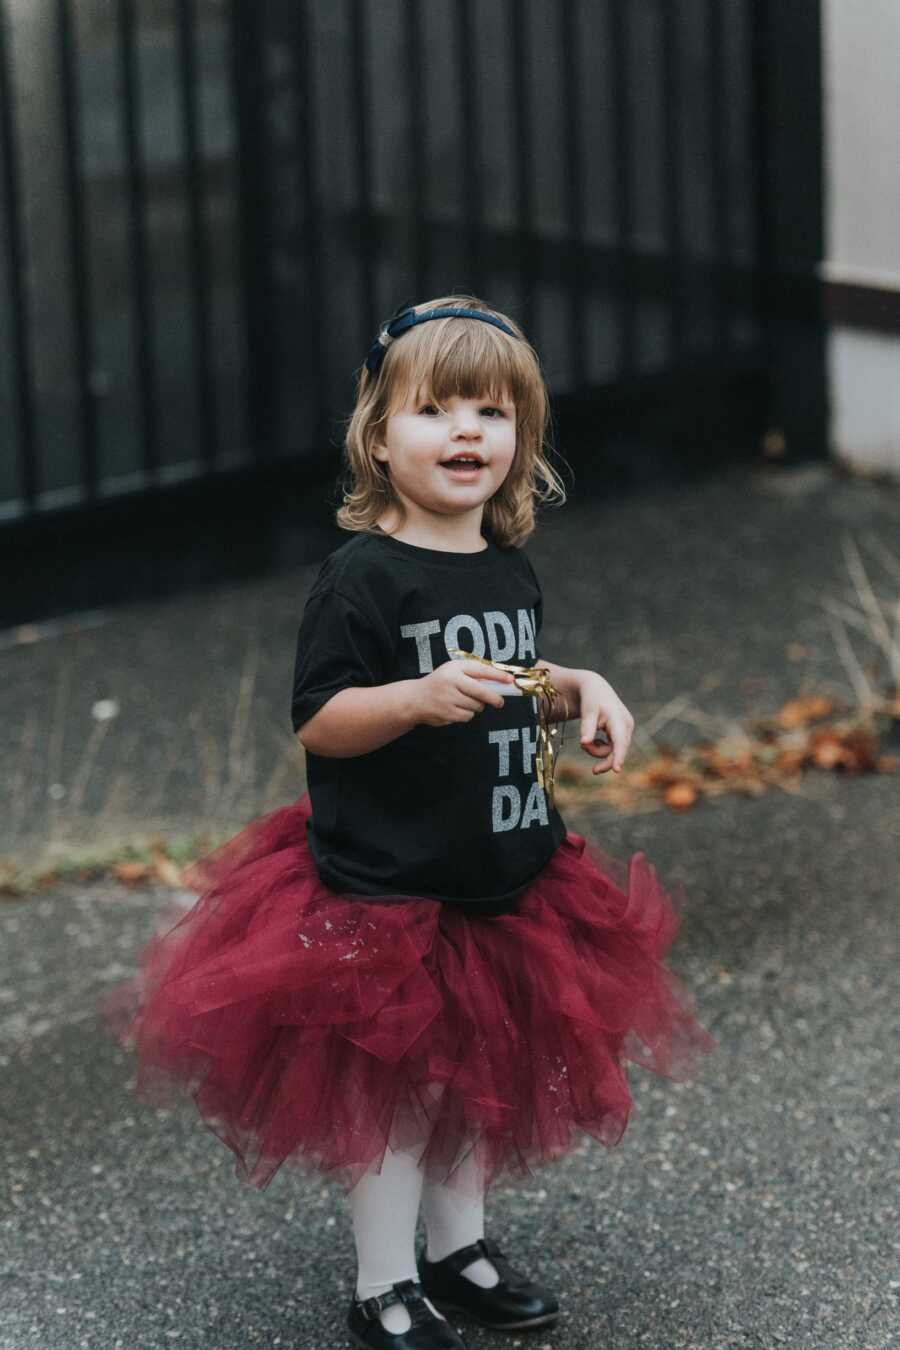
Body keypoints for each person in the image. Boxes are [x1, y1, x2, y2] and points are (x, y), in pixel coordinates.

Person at [101, 294, 717, 1350]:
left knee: (479, 1086)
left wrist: (582, 686)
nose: (467, 432)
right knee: (392, 1104)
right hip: (391, 890)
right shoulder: (362, 580)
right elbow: (324, 721)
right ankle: (385, 1283)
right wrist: (416, 699)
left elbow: (516, 679)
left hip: (506, 876)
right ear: (380, 439)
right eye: (436, 410)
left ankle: (460, 1248)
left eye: (492, 411)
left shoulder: (505, 565)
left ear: (522, 437)